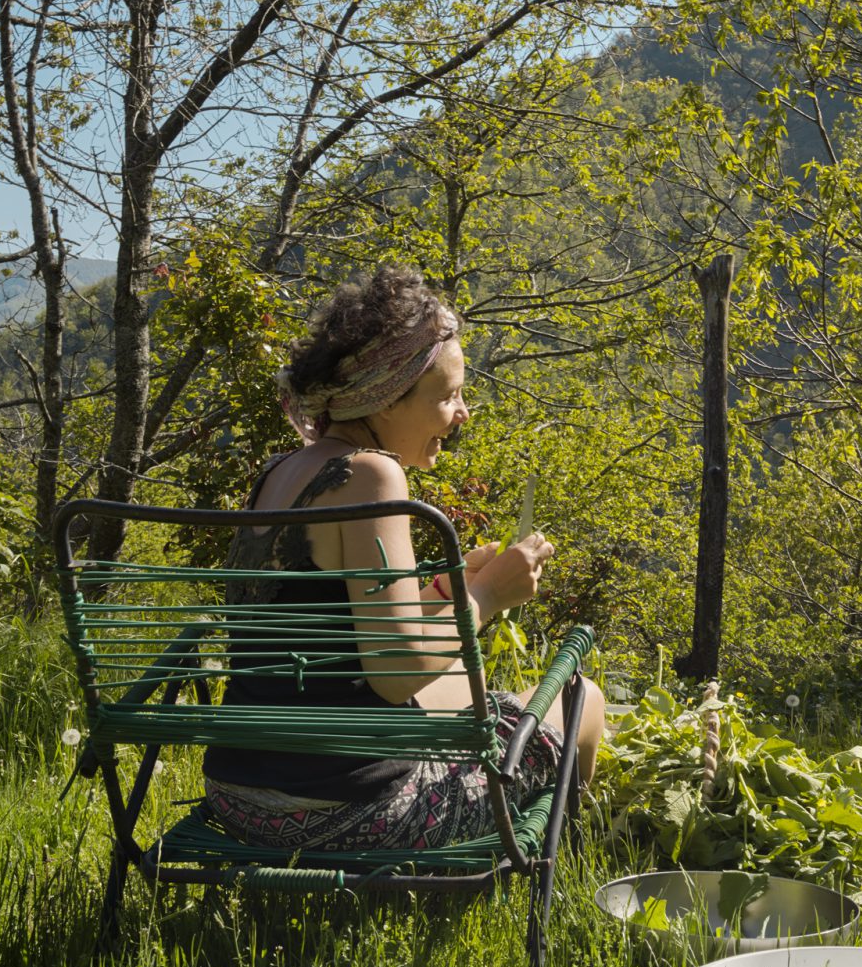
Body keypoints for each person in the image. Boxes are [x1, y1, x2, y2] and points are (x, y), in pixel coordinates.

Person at [200, 265, 604, 853]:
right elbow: (393, 676)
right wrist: (489, 595)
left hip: (238, 795)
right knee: (582, 701)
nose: (462, 413)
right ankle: (563, 873)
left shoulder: (280, 472)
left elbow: (333, 642)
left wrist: (449, 588)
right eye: (447, 396)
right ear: (386, 399)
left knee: (477, 696)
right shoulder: (372, 474)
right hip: (345, 813)